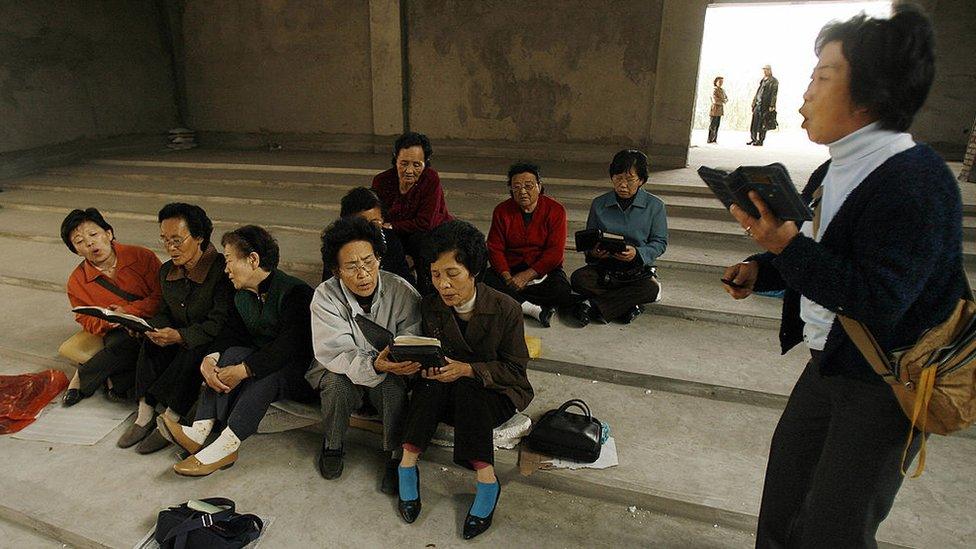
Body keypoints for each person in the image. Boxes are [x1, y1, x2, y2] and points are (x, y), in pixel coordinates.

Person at [721, 7, 962, 546]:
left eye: (822, 77)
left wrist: (784, 245)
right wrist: (763, 269)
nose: (806, 93)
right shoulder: (836, 167)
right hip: (828, 363)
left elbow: (877, 299)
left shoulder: (917, 181)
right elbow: (825, 258)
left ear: (869, 94)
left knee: (836, 528)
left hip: (884, 380)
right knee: (782, 508)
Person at [396, 220, 533, 540]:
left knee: (470, 388)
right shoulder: (429, 305)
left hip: (496, 393)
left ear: (473, 272)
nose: (443, 284)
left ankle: (487, 480)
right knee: (430, 385)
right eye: (435, 275)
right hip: (447, 389)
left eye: (452, 274)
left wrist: (469, 369)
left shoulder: (506, 308)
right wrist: (427, 367)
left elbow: (515, 371)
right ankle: (406, 465)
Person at [159, 225, 318, 476]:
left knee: (266, 374)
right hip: (264, 361)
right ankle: (198, 431)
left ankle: (227, 445)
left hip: (299, 373)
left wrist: (244, 370)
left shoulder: (295, 293)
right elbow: (230, 333)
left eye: (230, 260)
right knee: (230, 354)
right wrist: (210, 359)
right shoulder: (241, 294)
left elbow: (289, 347)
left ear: (253, 260)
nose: (226, 269)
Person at [308, 217, 421, 491]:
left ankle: (396, 457)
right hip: (342, 368)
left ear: (379, 259)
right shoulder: (325, 296)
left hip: (391, 372)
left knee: (393, 388)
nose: (363, 274)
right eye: (352, 266)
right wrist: (374, 363)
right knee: (336, 384)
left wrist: (397, 363)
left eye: (368, 262)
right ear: (336, 270)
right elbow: (336, 352)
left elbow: (414, 340)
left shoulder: (403, 292)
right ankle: (332, 444)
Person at [118, 203, 233, 454]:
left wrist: (180, 335)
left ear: (200, 237)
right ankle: (145, 413)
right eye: (165, 240)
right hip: (181, 335)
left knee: (193, 350)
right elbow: (166, 312)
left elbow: (218, 323)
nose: (170, 247)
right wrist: (150, 327)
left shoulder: (221, 270)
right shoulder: (166, 270)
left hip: (214, 339)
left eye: (177, 240)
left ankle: (171, 418)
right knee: (150, 341)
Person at [61, 208, 162, 406]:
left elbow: (162, 296)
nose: (89, 243)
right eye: (79, 241)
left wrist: (128, 312)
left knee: (148, 346)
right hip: (117, 330)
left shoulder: (142, 256)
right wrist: (113, 322)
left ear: (108, 233)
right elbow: (85, 319)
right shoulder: (76, 280)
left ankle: (83, 376)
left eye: (93, 234)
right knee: (122, 353)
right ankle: (114, 382)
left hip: (153, 318)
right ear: (76, 250)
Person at [570, 150, 667, 326]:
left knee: (651, 289)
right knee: (578, 279)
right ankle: (628, 306)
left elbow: (659, 243)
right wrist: (594, 252)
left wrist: (637, 253)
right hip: (604, 267)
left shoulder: (655, 206)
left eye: (630, 180)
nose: (622, 185)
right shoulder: (599, 203)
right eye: (618, 178)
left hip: (635, 271)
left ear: (642, 180)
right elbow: (589, 239)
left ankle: (590, 305)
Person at [484, 162, 576, 327]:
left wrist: (526, 276)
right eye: (516, 187)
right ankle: (534, 309)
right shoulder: (501, 210)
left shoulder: (556, 210)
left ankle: (517, 303)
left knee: (562, 289)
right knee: (485, 281)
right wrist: (507, 277)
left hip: (541, 271)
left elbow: (555, 253)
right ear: (511, 190)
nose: (523, 191)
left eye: (528, 186)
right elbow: (495, 248)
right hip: (511, 270)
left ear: (539, 186)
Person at [371, 131, 453, 293]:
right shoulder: (381, 181)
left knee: (422, 243)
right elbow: (376, 215)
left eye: (416, 165)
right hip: (396, 232)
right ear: (395, 159)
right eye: (404, 163)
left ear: (426, 162)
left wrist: (392, 226)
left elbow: (425, 222)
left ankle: (426, 292)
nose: (409, 170)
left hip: (428, 232)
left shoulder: (430, 179)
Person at [321, 186, 414, 286]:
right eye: (362, 222)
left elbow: (404, 278)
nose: (369, 229)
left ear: (382, 219)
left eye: (374, 223)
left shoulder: (390, 239)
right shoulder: (337, 244)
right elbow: (330, 284)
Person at [748, 65, 779, 146]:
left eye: (766, 70)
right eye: (764, 70)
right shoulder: (763, 80)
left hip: (765, 105)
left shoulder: (774, 81)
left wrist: (772, 105)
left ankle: (760, 140)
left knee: (763, 123)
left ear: (770, 70)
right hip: (758, 104)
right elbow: (758, 92)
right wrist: (754, 101)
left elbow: (774, 94)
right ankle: (753, 138)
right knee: (754, 122)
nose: (765, 71)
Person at [707, 76, 728, 144]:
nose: (721, 83)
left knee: (717, 125)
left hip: (720, 110)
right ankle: (710, 139)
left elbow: (726, 98)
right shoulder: (714, 90)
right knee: (712, 125)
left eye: (722, 82)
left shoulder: (722, 90)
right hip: (714, 110)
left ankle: (714, 139)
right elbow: (715, 100)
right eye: (720, 82)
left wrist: (722, 100)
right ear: (716, 82)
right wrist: (722, 101)